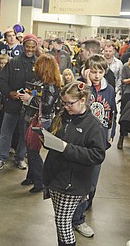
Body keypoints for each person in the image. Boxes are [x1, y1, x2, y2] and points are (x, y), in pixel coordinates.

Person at [43, 81, 106, 246]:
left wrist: (66, 148)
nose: (66, 106)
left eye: (70, 103)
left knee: (63, 223)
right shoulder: (63, 116)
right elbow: (54, 135)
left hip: (73, 183)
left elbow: (97, 155)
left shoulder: (94, 126)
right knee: (60, 220)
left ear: (83, 100)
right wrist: (47, 139)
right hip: (56, 178)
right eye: (64, 103)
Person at [72, 54, 117, 238]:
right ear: (86, 71)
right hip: (81, 141)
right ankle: (76, 218)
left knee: (91, 184)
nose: (97, 75)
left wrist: (110, 135)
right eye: (93, 71)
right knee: (78, 181)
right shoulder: (80, 88)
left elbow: (111, 112)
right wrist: (87, 85)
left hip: (99, 143)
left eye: (100, 72)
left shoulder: (110, 90)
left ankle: (80, 215)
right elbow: (76, 110)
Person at [0, 34, 39, 170]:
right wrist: (10, 93)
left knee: (24, 135)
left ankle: (20, 158)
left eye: (32, 47)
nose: (30, 50)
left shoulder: (39, 64)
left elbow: (43, 84)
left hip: (29, 107)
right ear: (23, 46)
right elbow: (2, 81)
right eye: (27, 47)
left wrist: (33, 95)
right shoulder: (13, 62)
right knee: (6, 132)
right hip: (12, 105)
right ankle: (2, 157)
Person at [20, 54, 61, 193]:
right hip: (33, 119)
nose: (34, 68)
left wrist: (29, 98)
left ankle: (40, 182)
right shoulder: (42, 82)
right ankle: (32, 177)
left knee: (33, 152)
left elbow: (47, 106)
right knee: (30, 150)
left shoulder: (51, 86)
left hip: (41, 122)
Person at [117, 57, 130, 149]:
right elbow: (123, 81)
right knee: (125, 116)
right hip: (128, 92)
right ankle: (121, 137)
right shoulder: (126, 66)